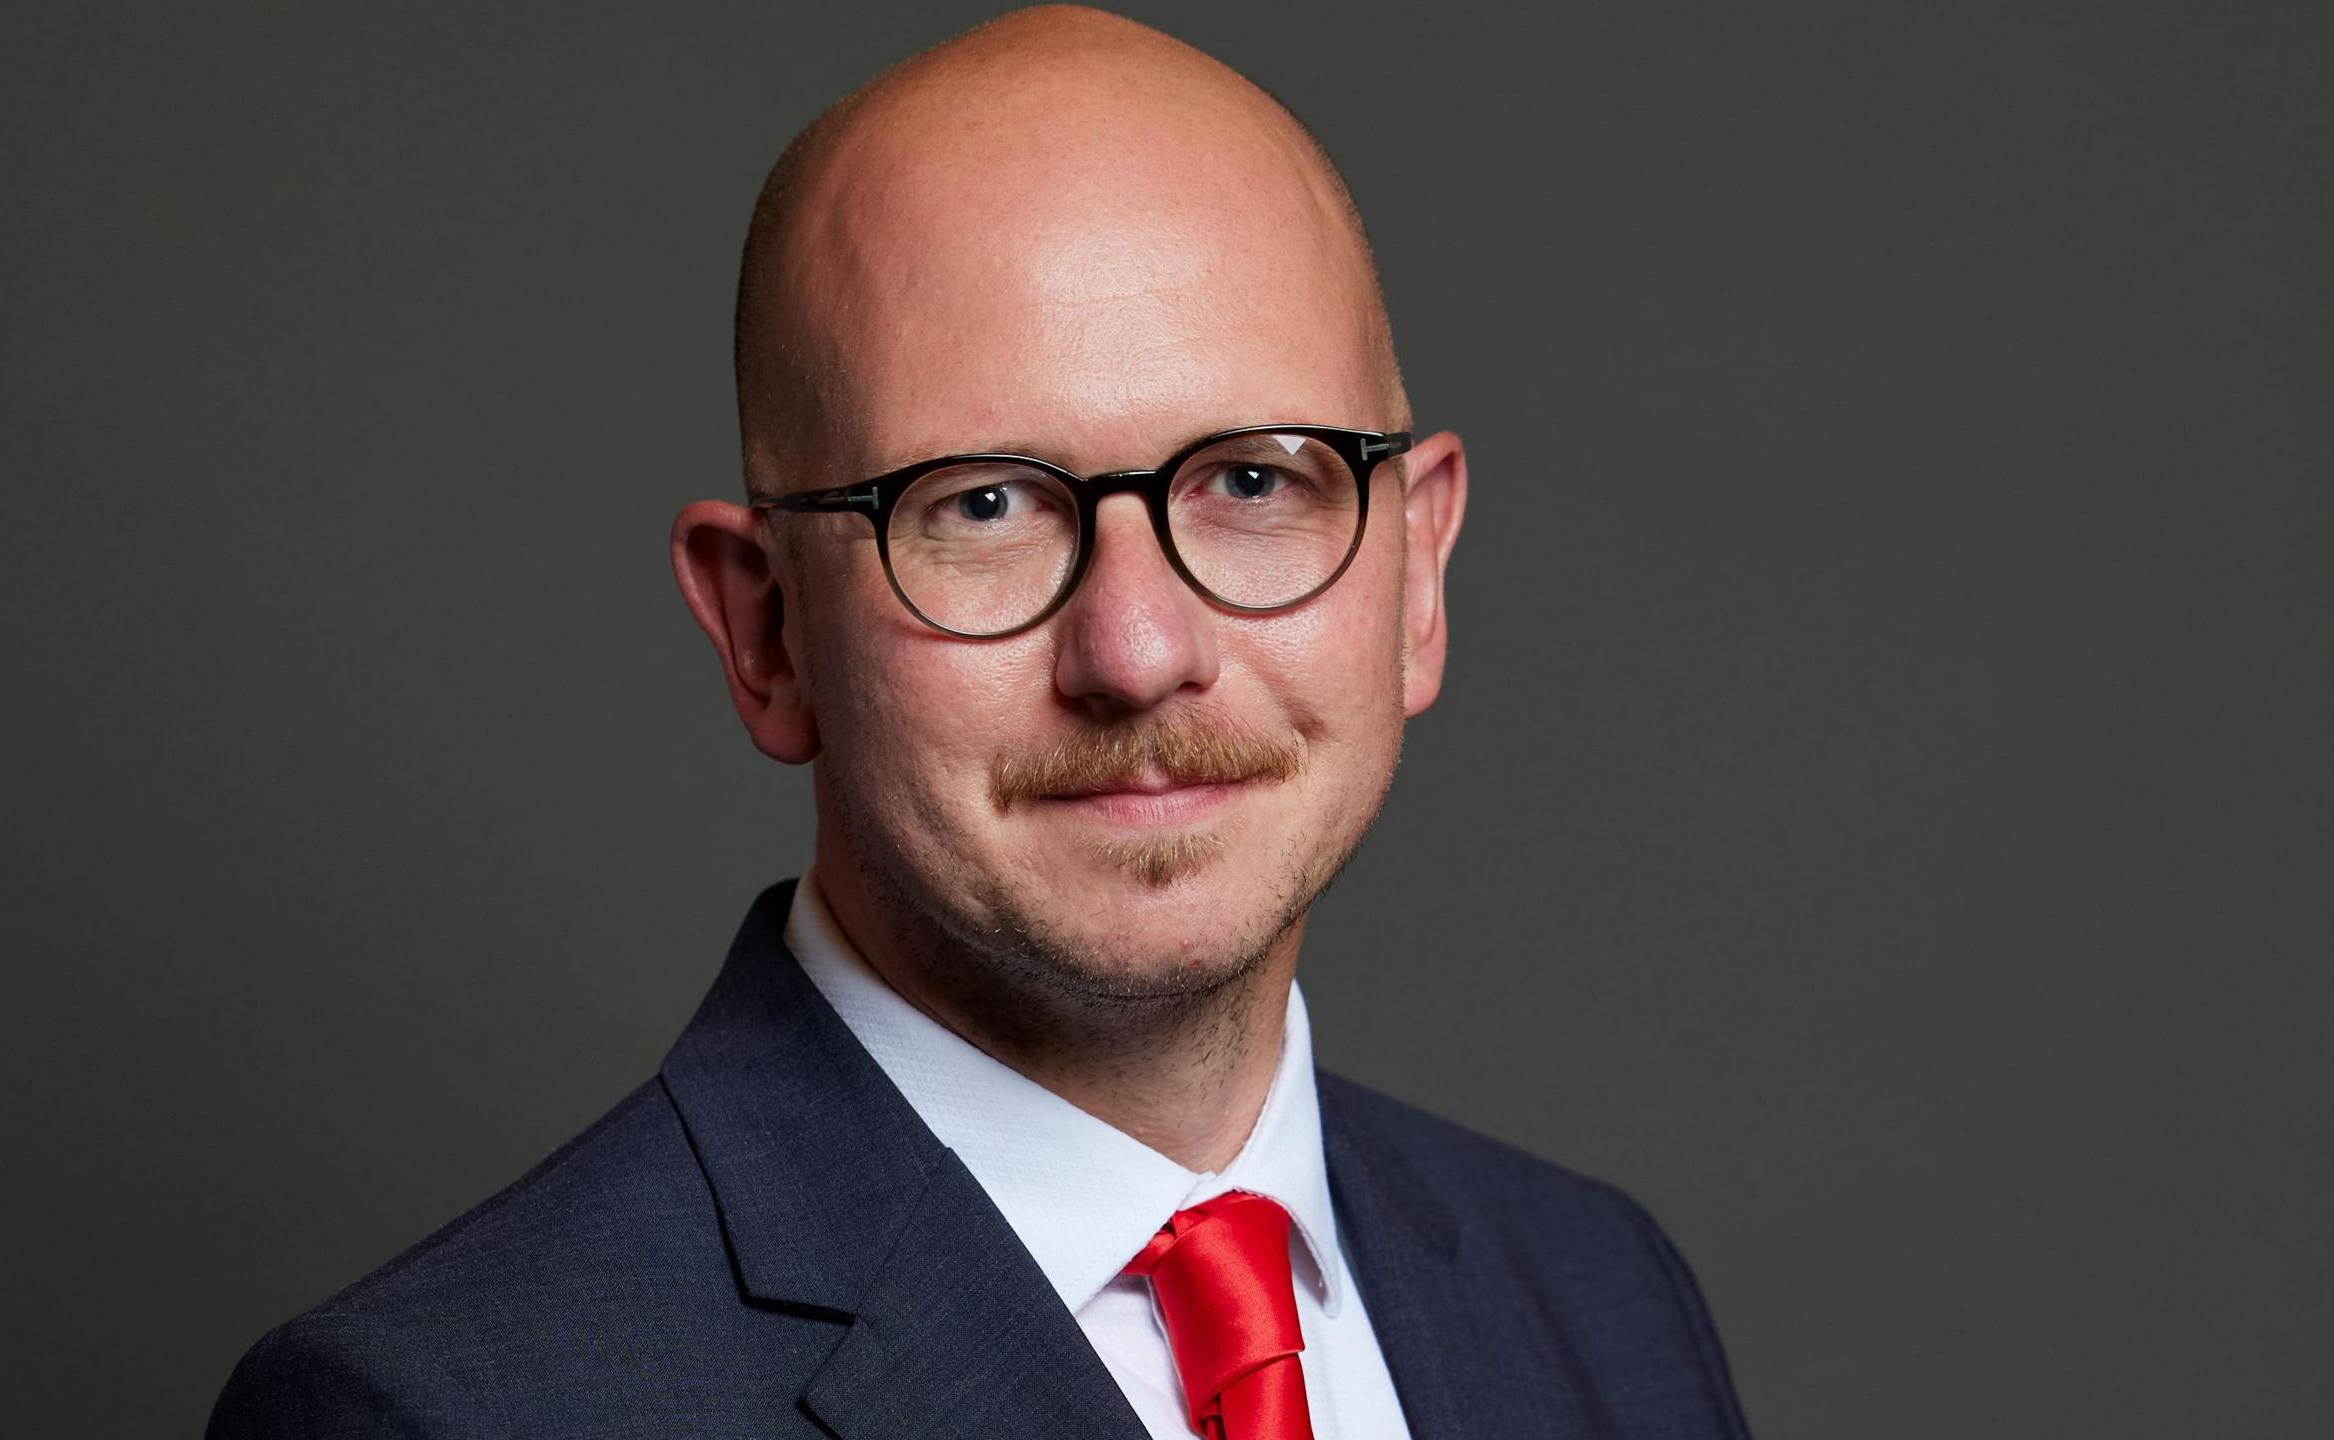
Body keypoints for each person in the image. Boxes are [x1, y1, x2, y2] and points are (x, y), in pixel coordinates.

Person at [207, 7, 1749, 1437]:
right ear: (765, 630)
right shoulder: (442, 1414)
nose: (1138, 651)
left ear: (1416, 575)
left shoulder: (1602, 1306)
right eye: (985, 505)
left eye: (1255, 482)